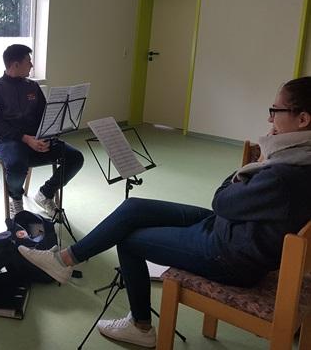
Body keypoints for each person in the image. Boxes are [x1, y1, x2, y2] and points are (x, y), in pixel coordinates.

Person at [18, 76, 311, 348]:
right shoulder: (297, 160)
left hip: (229, 254)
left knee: (129, 241)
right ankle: (65, 260)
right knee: (134, 207)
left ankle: (140, 326)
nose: (269, 118)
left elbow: (221, 200)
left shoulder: (282, 175)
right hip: (233, 231)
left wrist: (257, 161)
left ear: (302, 119)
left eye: (275, 110)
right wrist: (262, 162)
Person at [0, 44, 84, 217]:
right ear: (15, 65)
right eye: (28, 61)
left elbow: (45, 115)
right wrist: (26, 139)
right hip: (8, 141)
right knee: (16, 164)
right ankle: (15, 198)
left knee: (76, 158)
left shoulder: (33, 86)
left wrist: (47, 136)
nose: (31, 65)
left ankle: (45, 194)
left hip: (36, 139)